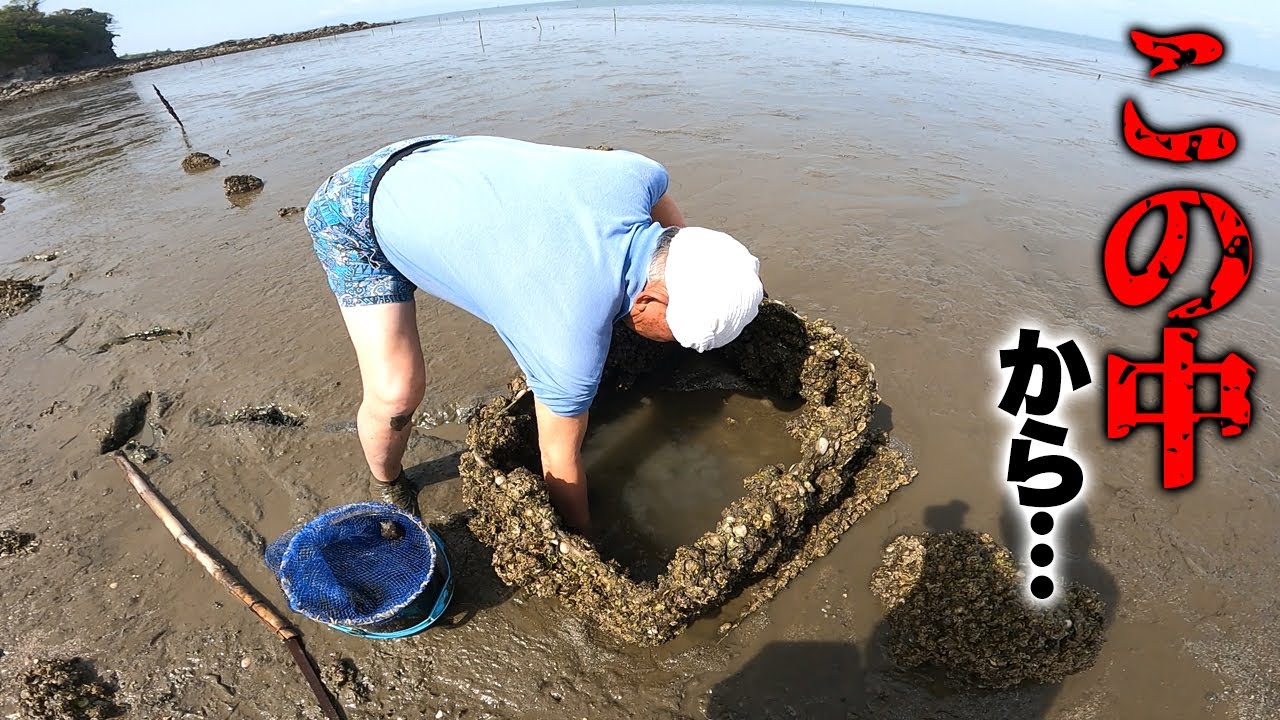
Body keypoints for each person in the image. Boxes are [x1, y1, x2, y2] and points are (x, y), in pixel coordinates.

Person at [304, 134, 764, 533]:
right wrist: (583, 538)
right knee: (396, 392)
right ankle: (389, 485)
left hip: (432, 161)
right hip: (354, 213)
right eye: (676, 335)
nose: (674, 346)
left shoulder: (639, 174)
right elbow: (557, 461)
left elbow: (672, 227)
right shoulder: (567, 342)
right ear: (648, 301)